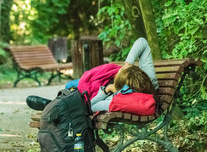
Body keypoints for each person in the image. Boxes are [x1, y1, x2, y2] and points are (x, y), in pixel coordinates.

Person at [26, 37, 160, 112]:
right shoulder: (151, 80)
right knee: (71, 85)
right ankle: (56, 104)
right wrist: (127, 64)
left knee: (71, 89)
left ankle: (53, 105)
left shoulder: (120, 99)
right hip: (103, 82)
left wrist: (106, 91)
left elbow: (90, 107)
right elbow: (142, 42)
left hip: (99, 92)